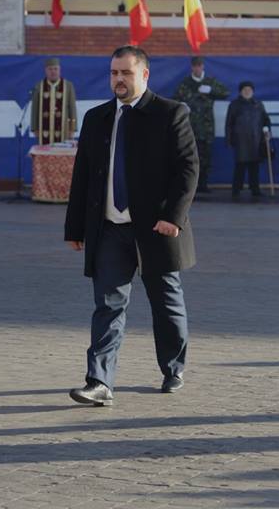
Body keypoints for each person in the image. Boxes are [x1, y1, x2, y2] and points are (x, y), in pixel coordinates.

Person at [64, 45, 198, 406]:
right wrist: (75, 228)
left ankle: (173, 368)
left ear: (145, 75)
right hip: (109, 229)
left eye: (125, 73)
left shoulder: (171, 114)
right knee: (107, 305)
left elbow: (188, 170)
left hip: (156, 228)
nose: (118, 80)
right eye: (113, 73)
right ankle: (100, 382)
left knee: (165, 303)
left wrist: (172, 217)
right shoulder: (97, 118)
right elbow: (83, 177)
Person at [172, 56, 228, 193]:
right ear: (192, 67)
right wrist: (182, 105)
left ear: (203, 66)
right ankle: (192, 185)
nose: (197, 68)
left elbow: (225, 93)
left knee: (206, 157)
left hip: (207, 127)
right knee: (190, 158)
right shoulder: (186, 83)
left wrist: (211, 91)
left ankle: (203, 184)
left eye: (199, 65)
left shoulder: (209, 81)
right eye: (195, 66)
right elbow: (175, 99)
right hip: (190, 128)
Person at [225, 81, 271, 198]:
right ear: (240, 92)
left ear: (253, 91)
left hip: (256, 139)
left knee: (254, 166)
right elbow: (229, 124)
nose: (247, 92)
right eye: (245, 90)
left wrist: (267, 130)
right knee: (240, 166)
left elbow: (266, 120)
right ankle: (236, 189)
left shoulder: (258, 104)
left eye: (249, 90)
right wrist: (229, 139)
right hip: (240, 140)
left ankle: (255, 189)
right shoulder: (234, 105)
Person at [30, 57, 77, 145]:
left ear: (60, 70)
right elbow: (34, 109)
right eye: (50, 69)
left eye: (55, 69)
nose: (53, 71)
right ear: (45, 70)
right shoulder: (39, 86)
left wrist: (72, 129)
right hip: (43, 130)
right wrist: (34, 128)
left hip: (64, 130)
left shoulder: (68, 86)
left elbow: (72, 108)